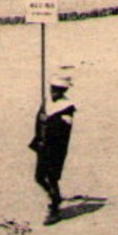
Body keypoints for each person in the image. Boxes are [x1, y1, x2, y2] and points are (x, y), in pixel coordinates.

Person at [30, 74, 77, 223]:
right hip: (42, 144)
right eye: (52, 89)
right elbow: (38, 122)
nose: (53, 92)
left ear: (63, 91)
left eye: (57, 90)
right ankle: (55, 197)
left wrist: (48, 123)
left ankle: (55, 207)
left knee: (51, 176)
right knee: (39, 177)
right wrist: (39, 136)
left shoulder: (67, 108)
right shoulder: (46, 102)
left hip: (55, 147)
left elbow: (63, 130)